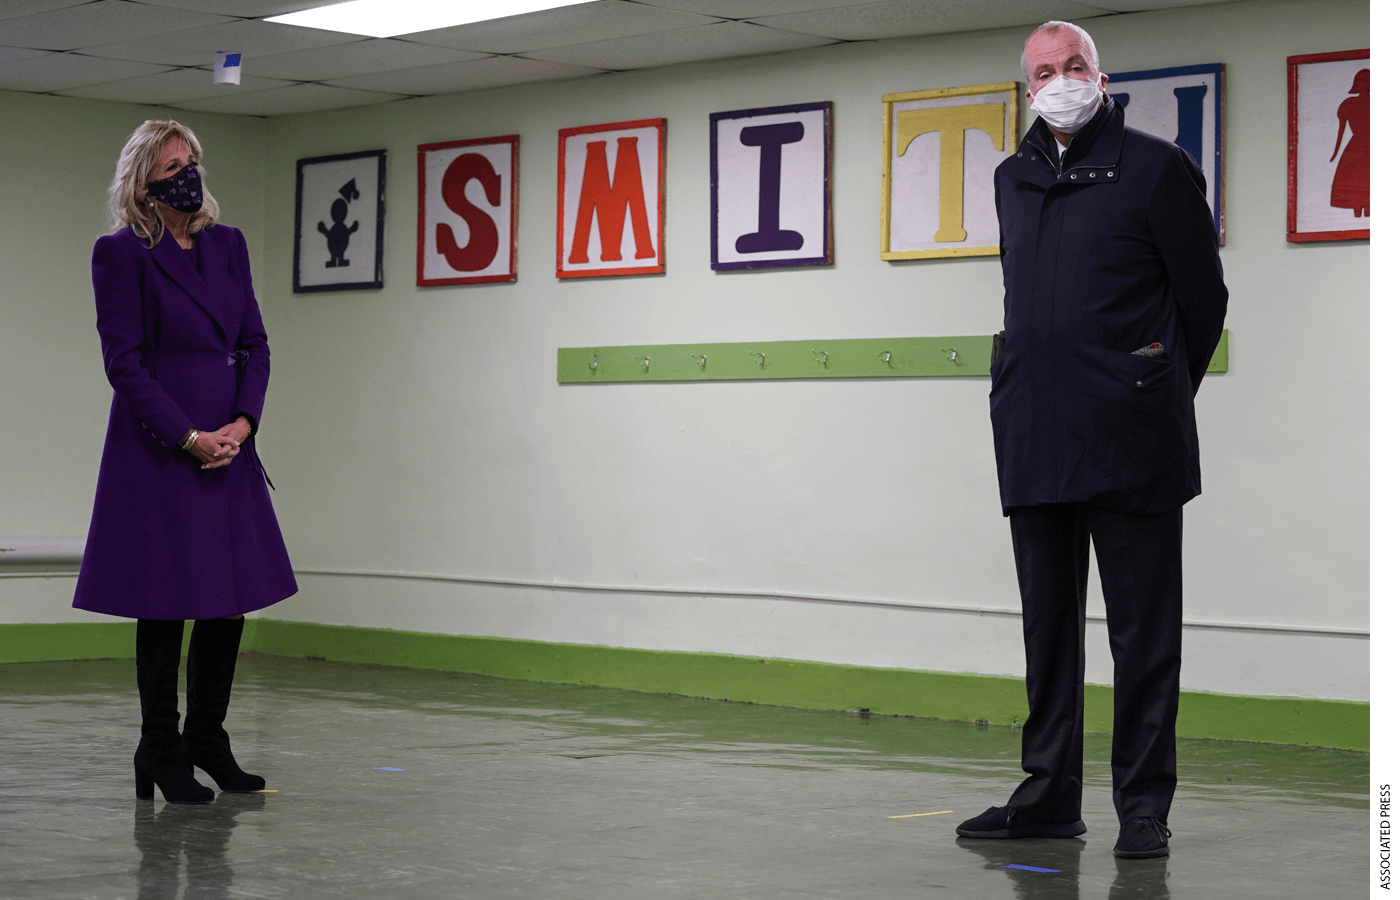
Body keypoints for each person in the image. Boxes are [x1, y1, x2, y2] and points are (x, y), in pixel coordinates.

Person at [956, 22, 1227, 859]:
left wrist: (1149, 383)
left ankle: (1143, 807)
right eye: (1044, 70)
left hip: (1132, 435)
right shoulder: (1011, 178)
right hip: (1035, 428)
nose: (1060, 79)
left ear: (1100, 76)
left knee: (1142, 635)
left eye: (1073, 65)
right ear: (1026, 86)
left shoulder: (1155, 168)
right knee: (1049, 630)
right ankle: (1046, 796)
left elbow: (1204, 303)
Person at [73, 120, 297, 804]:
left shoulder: (227, 246)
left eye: (193, 160)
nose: (188, 174)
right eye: (173, 164)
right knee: (167, 599)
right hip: (163, 448)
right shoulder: (121, 254)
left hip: (230, 444)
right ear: (143, 183)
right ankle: (159, 746)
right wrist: (187, 435)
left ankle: (208, 738)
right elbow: (125, 364)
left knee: (226, 600)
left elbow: (255, 342)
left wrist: (242, 422)